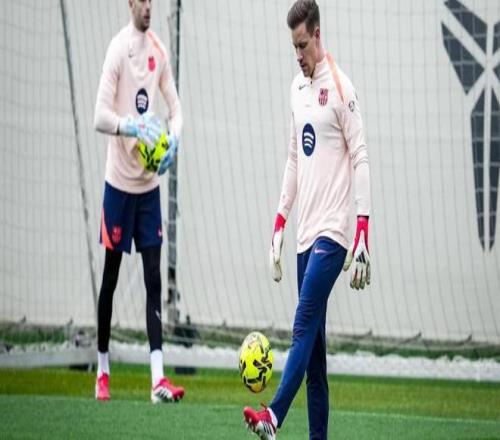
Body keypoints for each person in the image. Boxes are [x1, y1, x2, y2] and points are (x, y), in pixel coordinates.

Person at [243, 1, 371, 438]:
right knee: (315, 361)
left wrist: (362, 231)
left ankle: (273, 417)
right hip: (303, 235)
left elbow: (361, 157)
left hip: (333, 235)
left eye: (302, 45)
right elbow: (295, 158)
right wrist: (280, 221)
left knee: (301, 324)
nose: (297, 54)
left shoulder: (342, 88)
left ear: (317, 34)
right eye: (293, 47)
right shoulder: (296, 88)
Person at [93, 0, 184, 403]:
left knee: (153, 279)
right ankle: (102, 370)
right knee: (110, 279)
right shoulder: (118, 50)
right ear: (130, 3)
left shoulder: (158, 52)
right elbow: (99, 116)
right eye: (142, 0)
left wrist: (172, 141)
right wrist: (130, 125)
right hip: (118, 185)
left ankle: (157, 380)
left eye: (152, 1)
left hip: (148, 189)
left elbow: (176, 111)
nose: (149, 7)